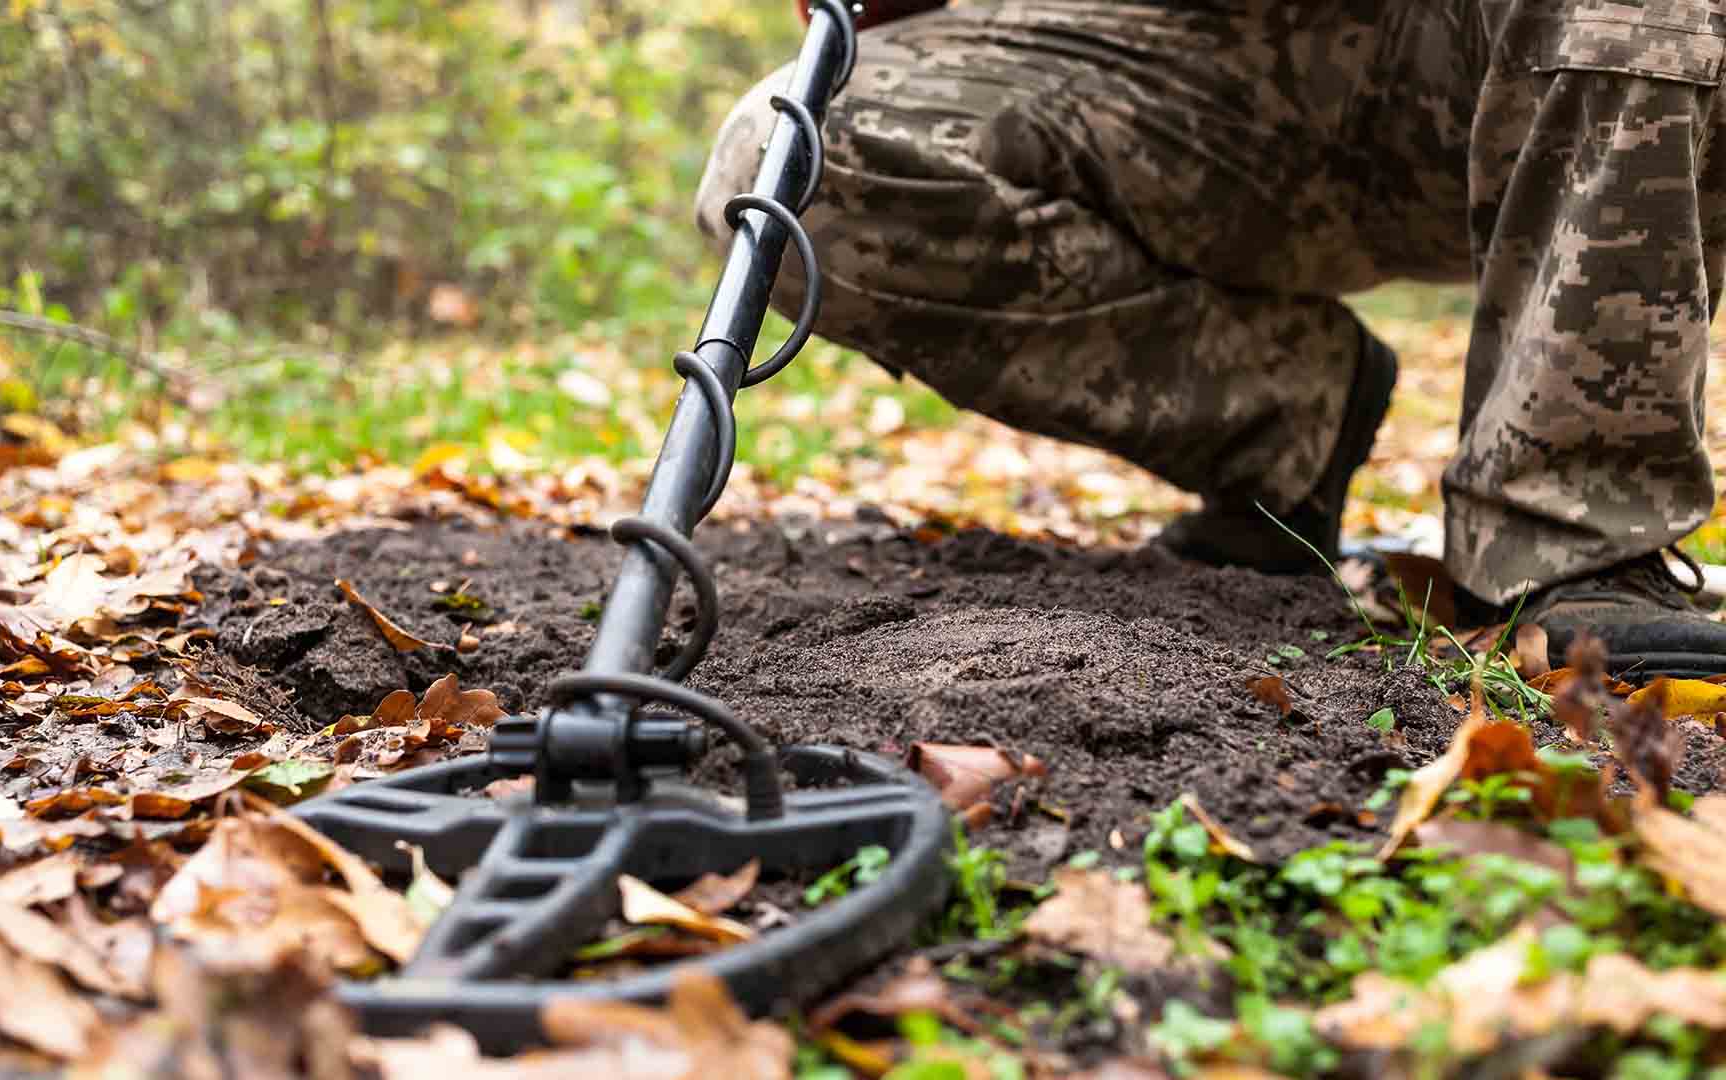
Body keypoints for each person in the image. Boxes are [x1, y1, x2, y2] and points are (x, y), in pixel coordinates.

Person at [696, 0, 1726, 678]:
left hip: (1500, 48)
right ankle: (1294, 419)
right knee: (785, 148)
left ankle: (1576, 531)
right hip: (1186, 60)